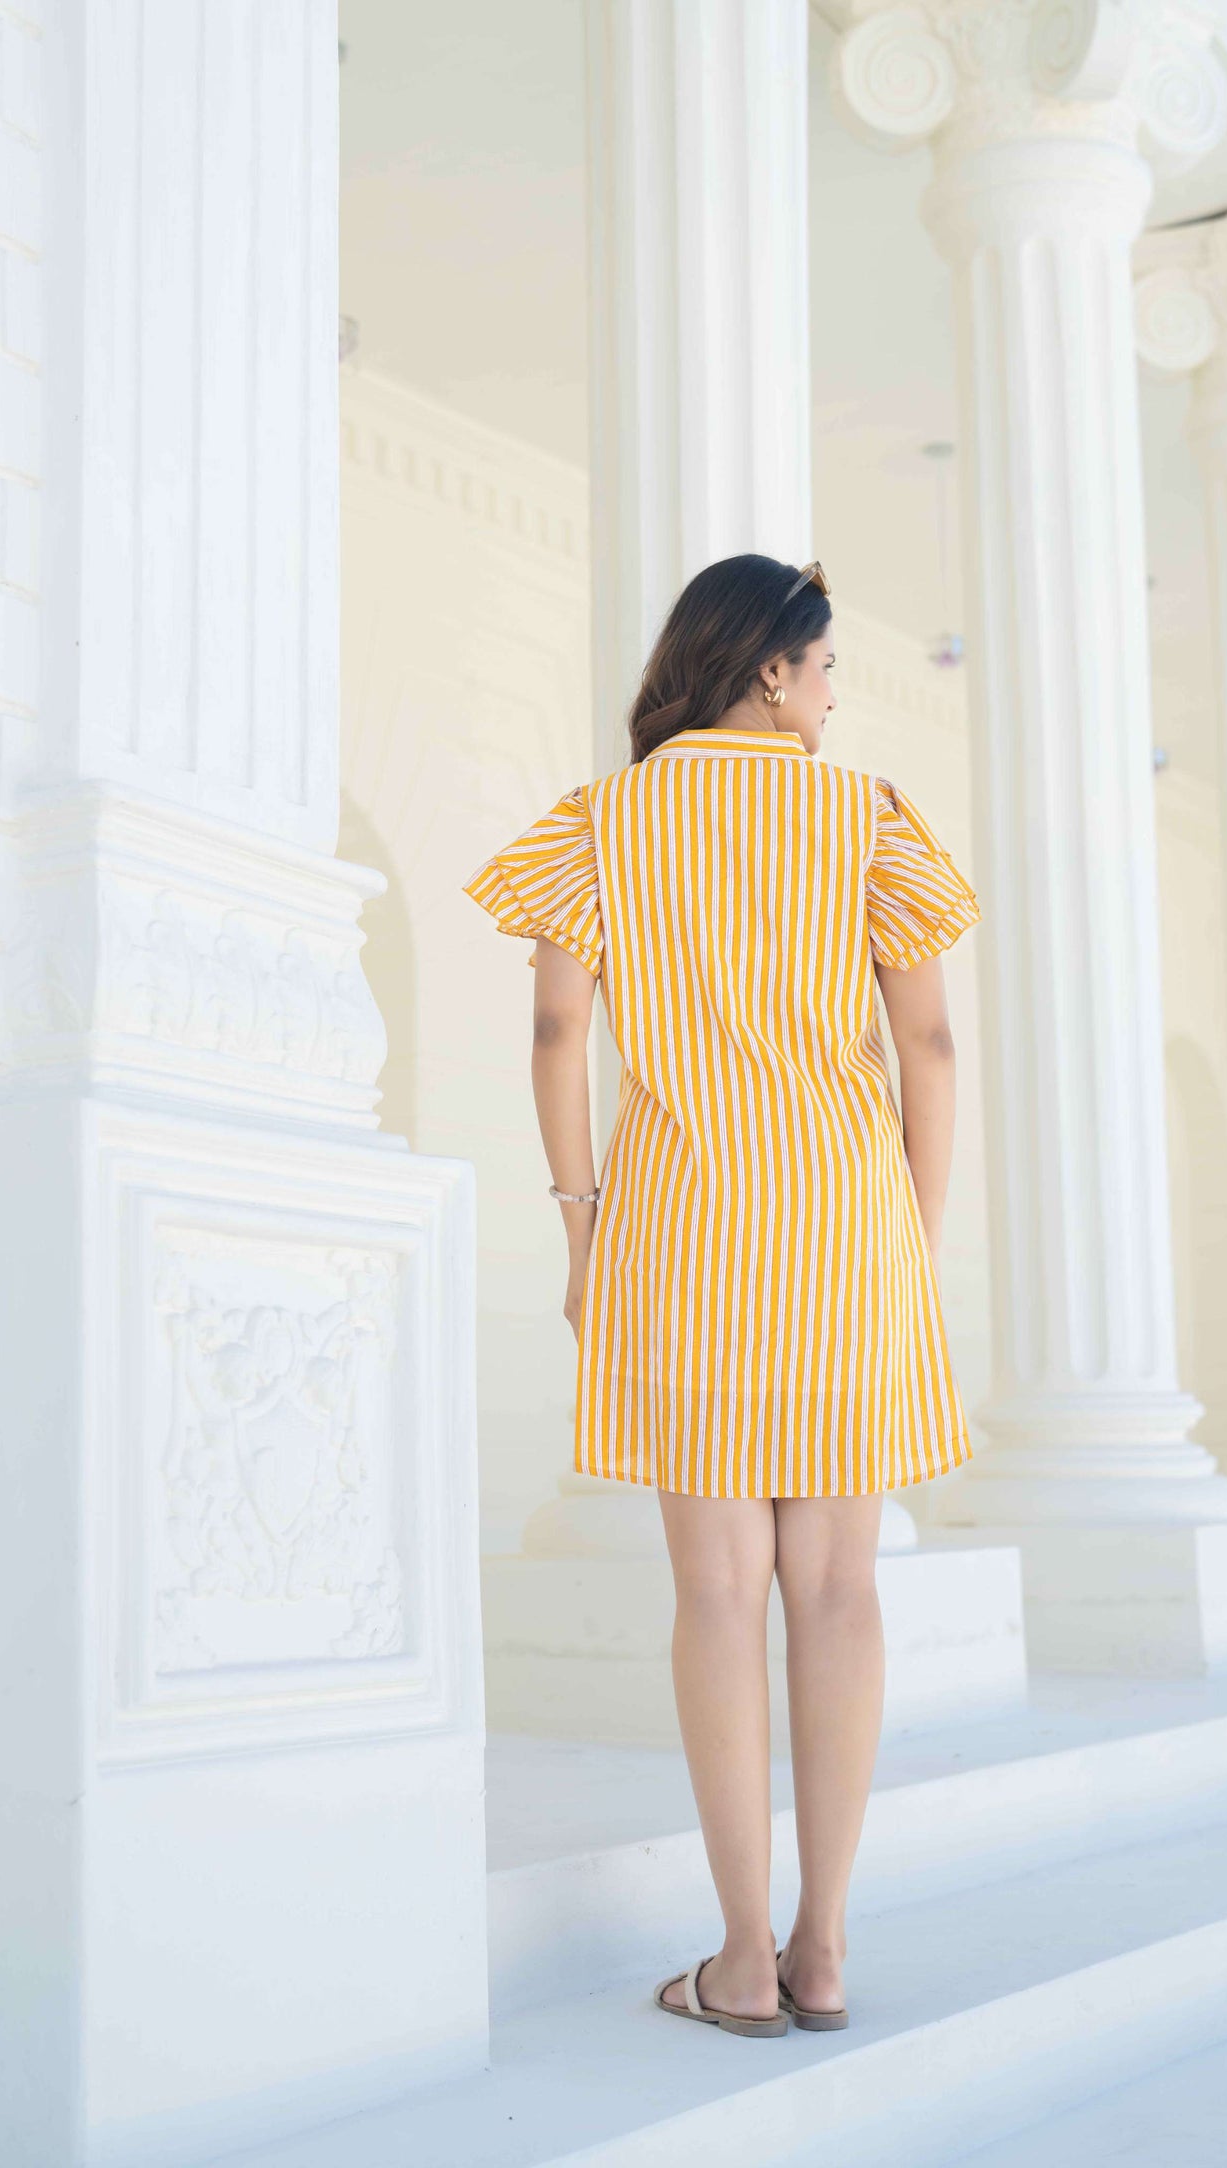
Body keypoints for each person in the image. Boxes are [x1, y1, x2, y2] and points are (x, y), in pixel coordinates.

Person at [462, 553, 981, 2040]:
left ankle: (740, 1960)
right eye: (822, 668)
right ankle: (822, 1952)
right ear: (768, 667)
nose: (831, 696)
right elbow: (928, 1053)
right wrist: (908, 1236)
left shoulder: (604, 821)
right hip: (845, 1228)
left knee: (710, 1594)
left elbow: (560, 1030)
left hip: (676, 1231)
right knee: (836, 1590)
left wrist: (577, 1230)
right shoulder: (867, 818)